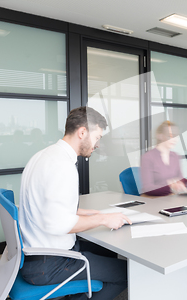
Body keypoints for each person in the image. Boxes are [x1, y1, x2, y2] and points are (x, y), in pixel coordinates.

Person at [18, 107, 129, 300]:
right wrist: (103, 219)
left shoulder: (44, 156)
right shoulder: (63, 166)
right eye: (97, 137)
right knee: (126, 273)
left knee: (107, 251)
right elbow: (60, 224)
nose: (98, 145)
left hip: (35, 254)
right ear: (82, 132)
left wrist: (88, 213)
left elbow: (47, 205)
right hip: (50, 264)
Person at [141, 121, 187, 196]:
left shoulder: (175, 156)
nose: (174, 139)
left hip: (172, 197)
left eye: (176, 136)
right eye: (170, 136)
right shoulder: (148, 157)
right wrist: (171, 187)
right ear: (160, 136)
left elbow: (180, 179)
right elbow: (148, 188)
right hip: (156, 200)